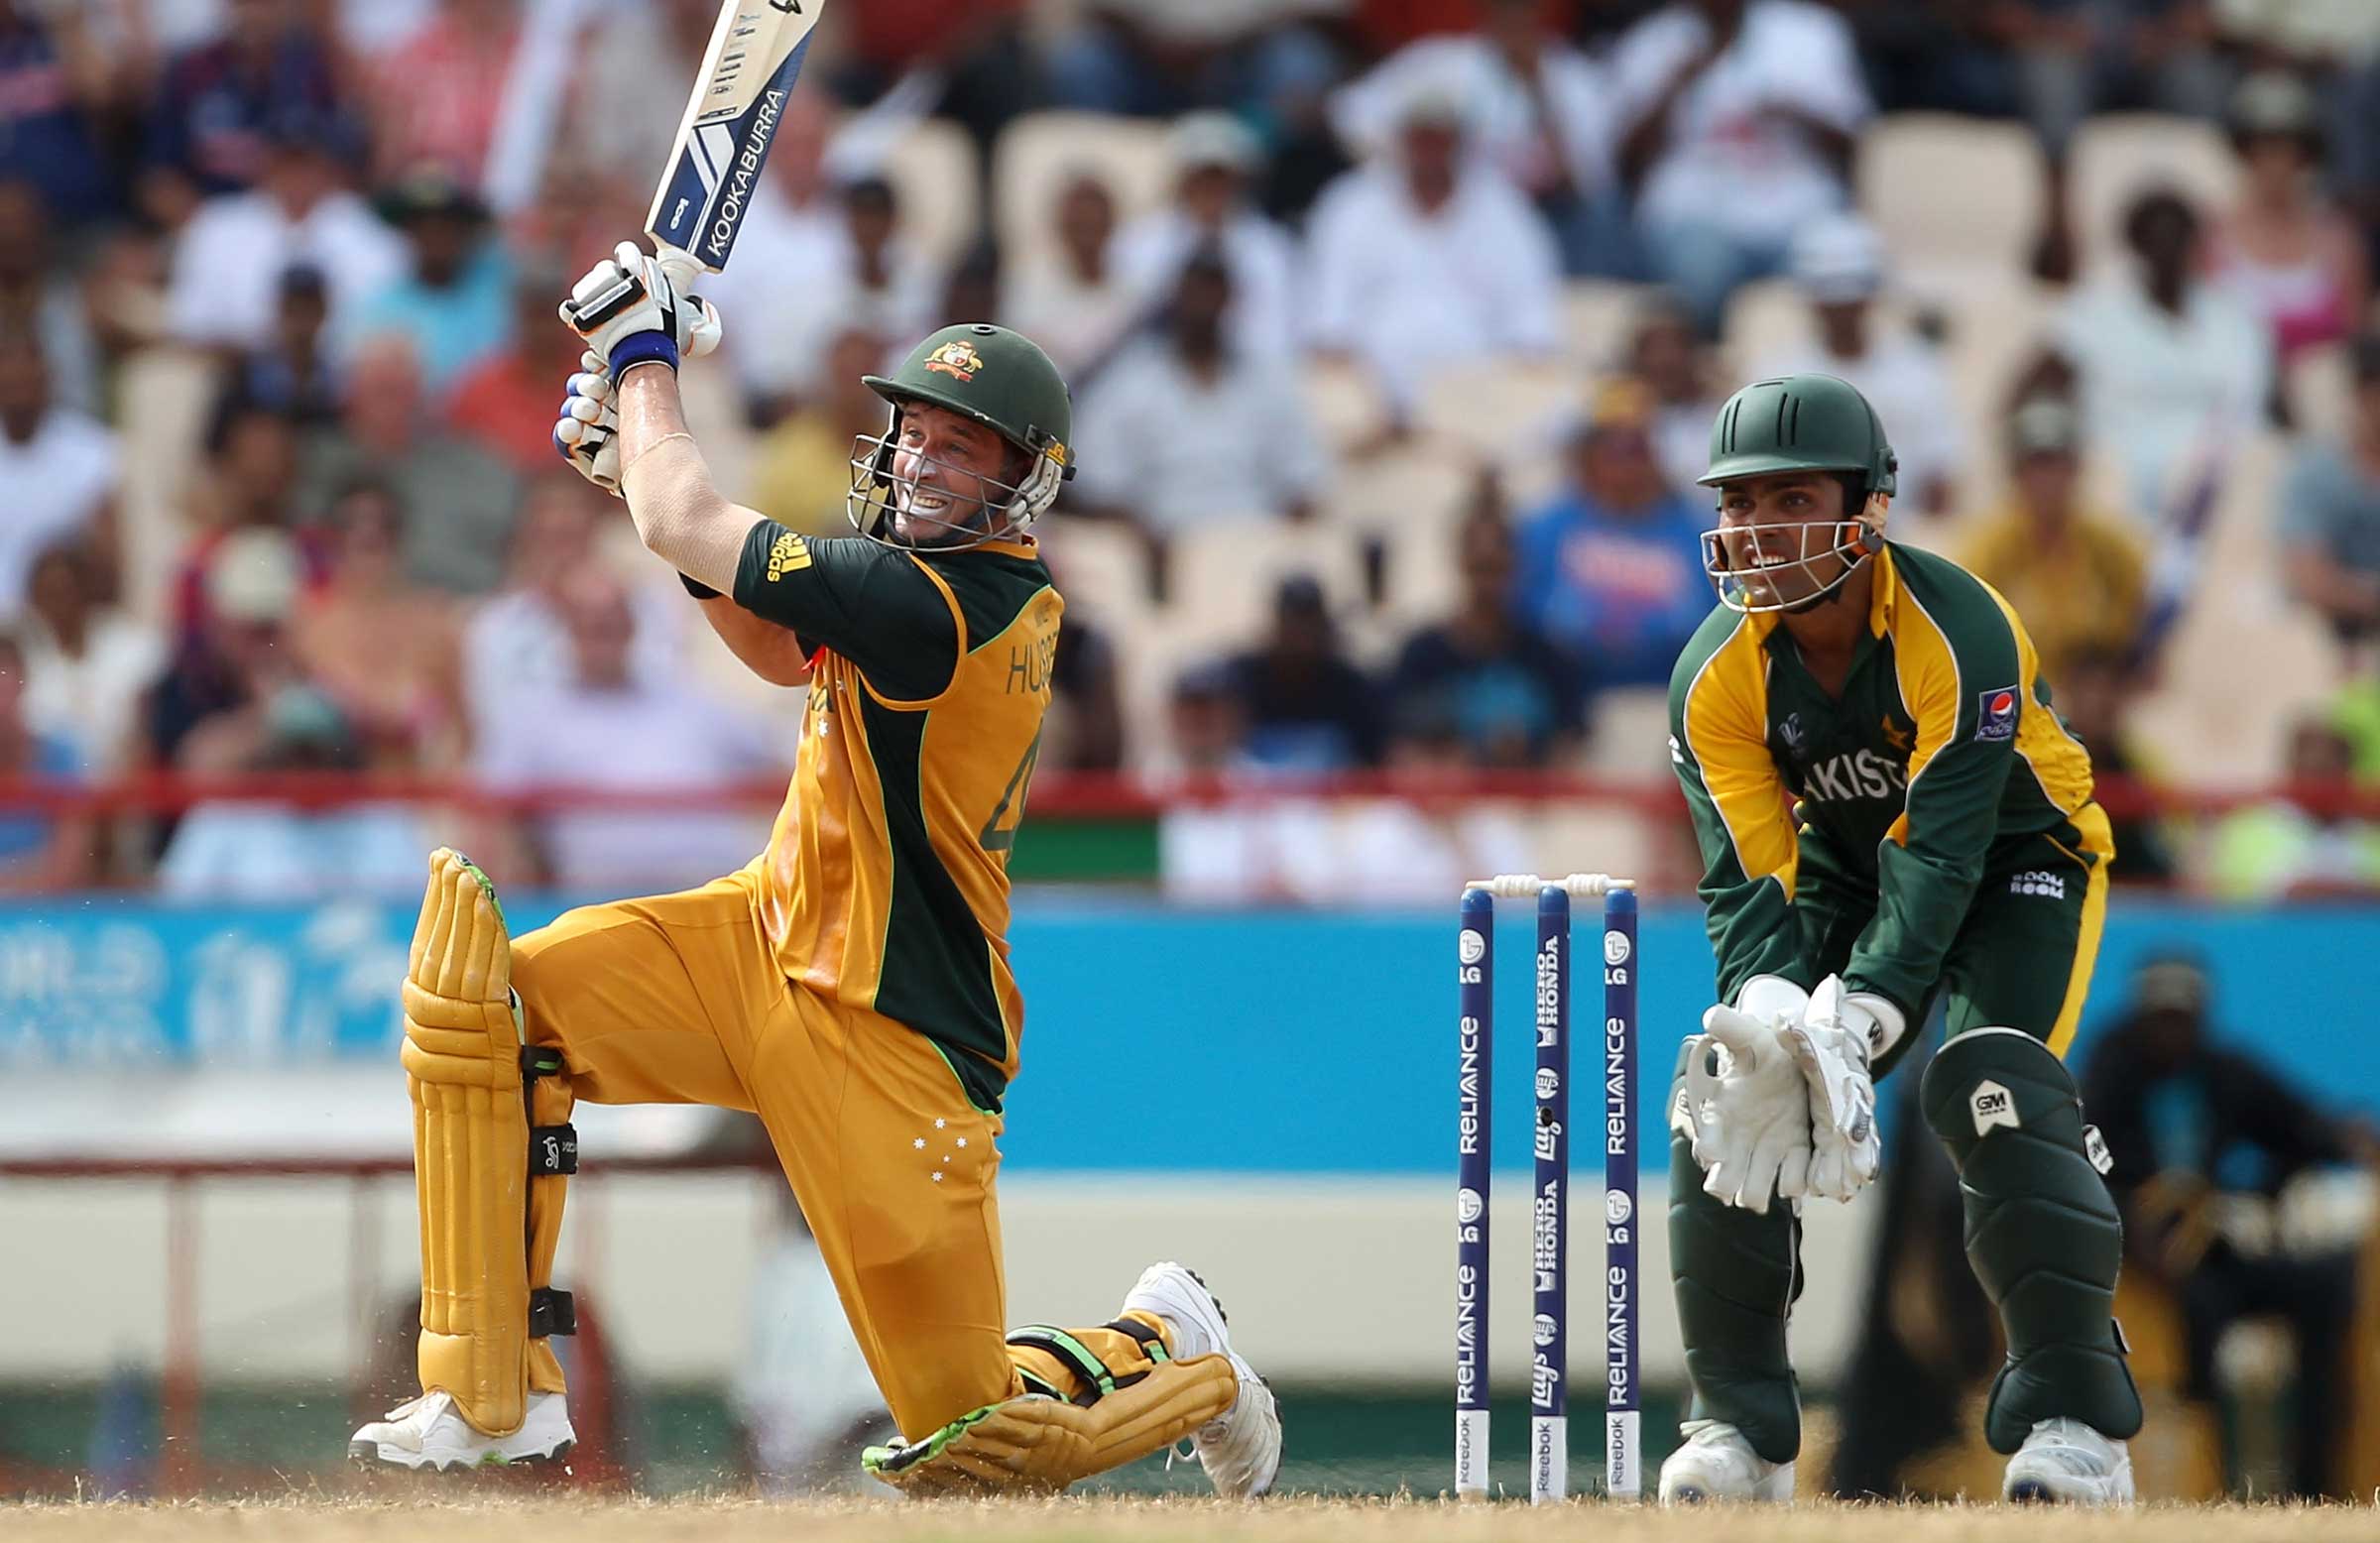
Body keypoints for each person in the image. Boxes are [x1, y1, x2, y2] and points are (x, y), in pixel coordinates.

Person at [348, 244, 1281, 1497]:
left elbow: (687, 517)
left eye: (963, 448)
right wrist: (637, 449)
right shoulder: (904, 586)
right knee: (494, 1009)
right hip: (757, 939)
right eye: (914, 434)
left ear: (1024, 482)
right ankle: (490, 1389)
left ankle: (1174, 1344)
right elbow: (782, 646)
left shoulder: (951, 606)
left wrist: (645, 365)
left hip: (892, 1033)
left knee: (977, 1443)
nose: (920, 462)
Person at [1662, 373, 2141, 1504]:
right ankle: (1738, 1427)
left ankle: (2077, 1422)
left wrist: (1868, 1009)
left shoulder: (1962, 625)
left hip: (2024, 863)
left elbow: (1944, 851)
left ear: (1871, 507)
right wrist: (1778, 1008)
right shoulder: (1710, 677)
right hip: (1848, 874)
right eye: (1739, 503)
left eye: (1791, 499)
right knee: (1736, 1085)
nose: (1756, 530)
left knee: (1991, 1084)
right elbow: (1745, 879)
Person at [2081, 954, 2365, 1498]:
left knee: (2324, 1287)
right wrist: (2133, 1226)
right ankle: (2214, 1481)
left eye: (2182, 1019)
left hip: (2213, 1246)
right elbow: (2082, 1166)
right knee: (2200, 1309)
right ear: (2141, 1019)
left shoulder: (2220, 1072)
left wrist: (2268, 1190)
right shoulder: (2109, 1073)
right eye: (2161, 1019)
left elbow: (2302, 1130)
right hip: (2141, 1255)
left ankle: (2314, 1486)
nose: (2172, 1033)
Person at [1608, 0, 1871, 334]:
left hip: (1796, 212)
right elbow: (1620, 166)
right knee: (1701, 277)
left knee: (1834, 273)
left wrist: (1799, 113)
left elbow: (1857, 144)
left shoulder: (1809, 32)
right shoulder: (1652, 41)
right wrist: (1675, 87)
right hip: (1694, 216)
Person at [1755, 215, 1964, 520]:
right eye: (1832, 301)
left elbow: (1941, 480)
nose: (1842, 313)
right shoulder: (1775, 379)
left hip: (1898, 541)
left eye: (1851, 300)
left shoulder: (1918, 370)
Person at [1959, 397, 2148, 686]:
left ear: (2076, 470)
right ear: (2015, 473)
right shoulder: (1987, 550)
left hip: (2089, 704)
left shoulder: (2111, 549)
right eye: (2036, 466)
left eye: (2058, 465)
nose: (2047, 480)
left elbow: (2133, 622)